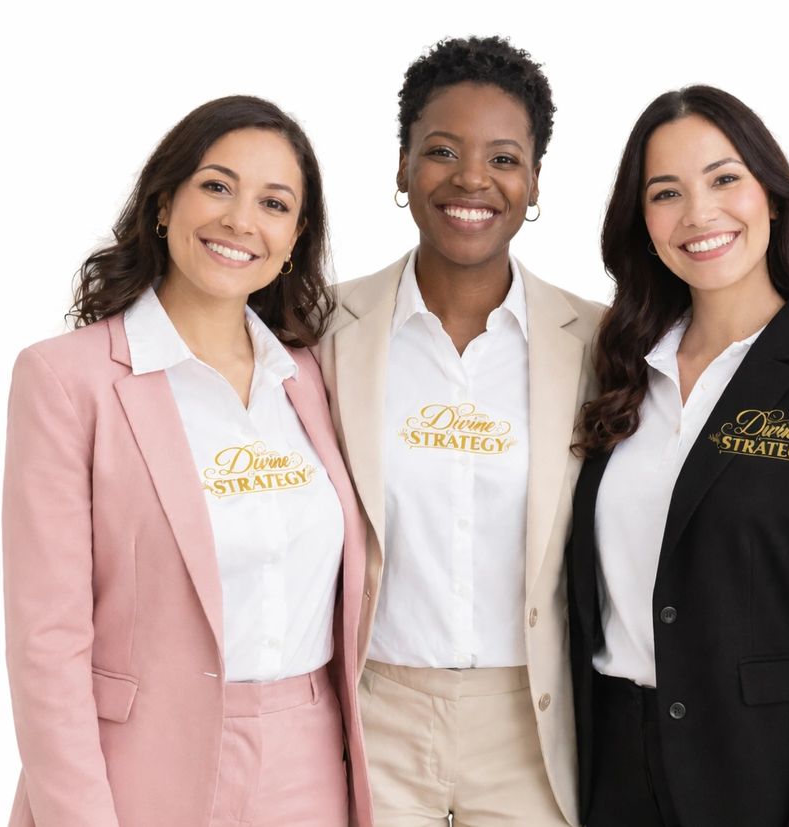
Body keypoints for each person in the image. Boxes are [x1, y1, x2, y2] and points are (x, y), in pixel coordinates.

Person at [3, 95, 373, 827]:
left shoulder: (310, 378)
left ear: (296, 237)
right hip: (142, 766)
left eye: (273, 202)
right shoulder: (66, 379)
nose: (241, 220)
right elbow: (46, 646)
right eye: (216, 185)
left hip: (310, 759)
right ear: (164, 202)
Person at [567, 85, 789, 827]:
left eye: (725, 179)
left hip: (767, 775)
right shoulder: (622, 365)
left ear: (773, 197)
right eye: (666, 192)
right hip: (614, 769)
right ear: (643, 222)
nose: (699, 213)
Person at [314, 37, 603, 826]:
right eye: (441, 150)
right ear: (403, 165)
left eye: (504, 157)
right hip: (374, 714)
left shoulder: (597, 342)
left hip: (533, 722)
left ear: (535, 178)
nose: (472, 178)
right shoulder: (322, 328)